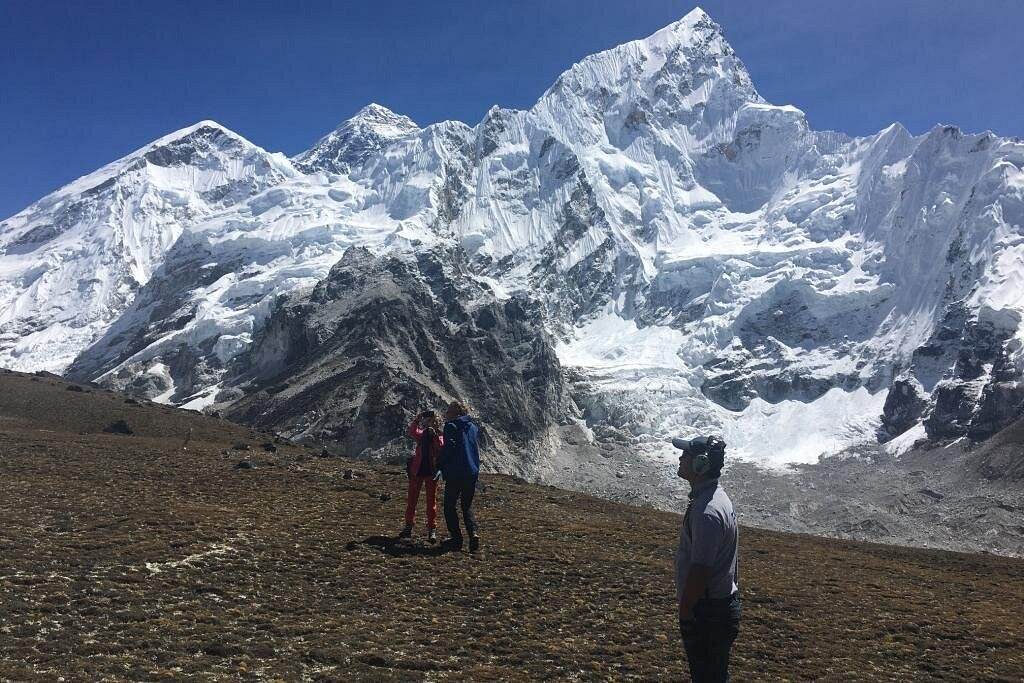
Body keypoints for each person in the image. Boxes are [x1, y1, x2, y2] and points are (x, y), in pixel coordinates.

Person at [672, 435, 741, 683]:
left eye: (686, 455)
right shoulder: (715, 499)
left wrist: (686, 609)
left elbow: (701, 569)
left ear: (701, 464)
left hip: (708, 612)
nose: (680, 458)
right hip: (718, 608)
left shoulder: (706, 511)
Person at [438, 400, 481, 552]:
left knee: (449, 506)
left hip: (456, 472)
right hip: (471, 471)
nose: (446, 412)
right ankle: (473, 533)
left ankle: (456, 539)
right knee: (466, 505)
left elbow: (449, 446)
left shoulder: (451, 426)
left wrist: (439, 464)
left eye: (449, 410)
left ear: (456, 412)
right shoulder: (473, 427)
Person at [399, 410, 444, 543]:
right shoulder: (422, 434)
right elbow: (412, 431)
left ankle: (432, 528)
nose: (432, 424)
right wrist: (418, 419)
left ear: (438, 424)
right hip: (417, 472)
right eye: (431, 421)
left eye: (435, 422)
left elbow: (440, 446)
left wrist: (434, 435)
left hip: (431, 473)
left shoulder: (440, 436)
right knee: (412, 500)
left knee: (431, 503)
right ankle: (409, 526)